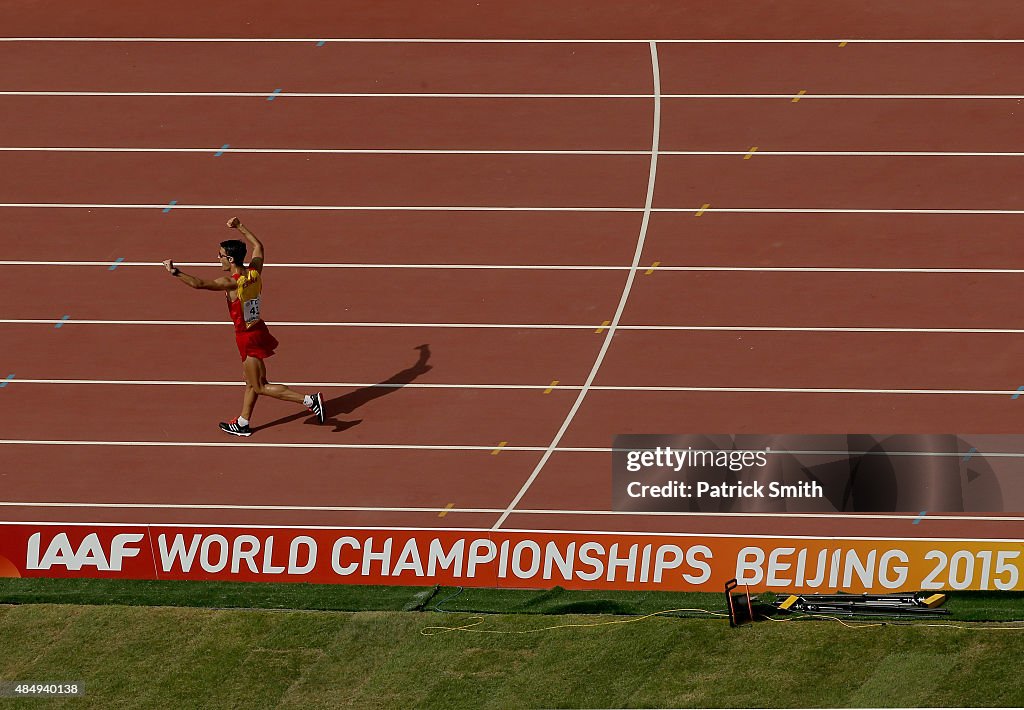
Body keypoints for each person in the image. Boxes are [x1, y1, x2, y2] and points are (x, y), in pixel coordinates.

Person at [162, 218, 324, 436]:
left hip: (246, 336)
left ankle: (309, 400)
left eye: (220, 255)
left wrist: (175, 272)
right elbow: (259, 246)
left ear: (229, 259)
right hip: (258, 329)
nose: (217, 258)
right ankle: (243, 422)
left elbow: (199, 284)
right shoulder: (255, 272)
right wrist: (240, 227)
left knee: (260, 386)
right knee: (251, 381)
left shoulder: (231, 283)